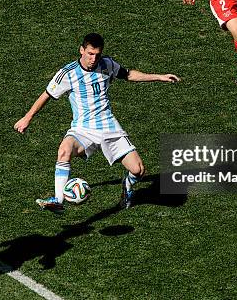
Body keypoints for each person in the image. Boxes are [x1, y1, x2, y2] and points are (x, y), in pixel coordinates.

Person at [14, 33, 180, 213]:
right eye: (90, 54)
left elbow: (128, 74)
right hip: (82, 129)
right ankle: (58, 200)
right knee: (64, 150)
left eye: (97, 55)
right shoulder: (68, 74)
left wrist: (160, 76)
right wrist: (27, 117)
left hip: (108, 127)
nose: (94, 59)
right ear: (82, 50)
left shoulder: (107, 64)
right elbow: (47, 95)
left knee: (138, 170)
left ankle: (127, 186)